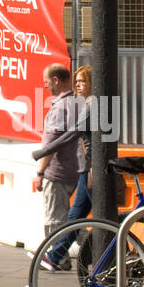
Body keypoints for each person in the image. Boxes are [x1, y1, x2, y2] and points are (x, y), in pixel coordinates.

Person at [31, 65, 93, 269]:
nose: (78, 85)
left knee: (60, 219)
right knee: (74, 217)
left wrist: (40, 163)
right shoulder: (81, 103)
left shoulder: (80, 105)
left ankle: (58, 256)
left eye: (82, 81)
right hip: (80, 170)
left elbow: (65, 137)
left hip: (76, 170)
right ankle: (57, 256)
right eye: (76, 81)